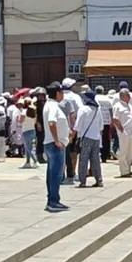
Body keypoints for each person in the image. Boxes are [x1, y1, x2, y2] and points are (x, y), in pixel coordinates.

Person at [42, 82, 70, 212]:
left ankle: (52, 199)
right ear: (58, 93)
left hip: (51, 143)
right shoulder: (53, 106)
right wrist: (57, 140)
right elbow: (52, 123)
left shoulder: (49, 105)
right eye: (62, 92)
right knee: (56, 174)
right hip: (55, 145)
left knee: (51, 173)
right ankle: (53, 201)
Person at [74, 88, 104, 188]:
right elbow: (101, 126)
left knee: (83, 160)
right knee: (95, 160)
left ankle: (82, 181)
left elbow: (77, 125)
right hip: (96, 138)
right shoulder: (97, 110)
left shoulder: (83, 109)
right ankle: (99, 180)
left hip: (86, 137)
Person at [112, 88, 132, 178]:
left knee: (130, 152)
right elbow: (115, 119)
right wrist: (121, 130)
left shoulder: (129, 105)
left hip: (131, 132)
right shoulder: (117, 106)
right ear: (122, 96)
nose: (129, 97)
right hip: (124, 132)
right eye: (128, 95)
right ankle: (124, 171)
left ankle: (128, 169)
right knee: (123, 151)